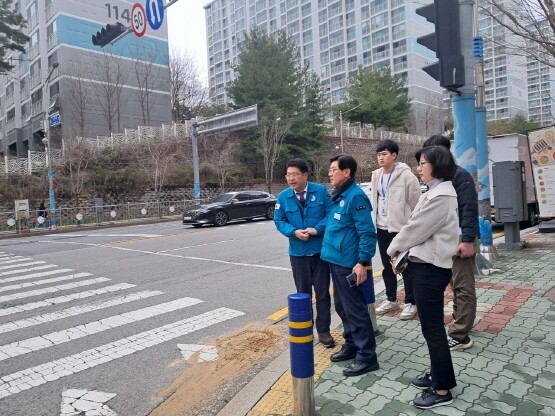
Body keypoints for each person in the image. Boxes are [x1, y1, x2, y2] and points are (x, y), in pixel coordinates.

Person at [387, 145, 459, 409]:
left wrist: (392, 248)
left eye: (423, 163)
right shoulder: (436, 191)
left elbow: (416, 229)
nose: (419, 167)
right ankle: (435, 375)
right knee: (431, 329)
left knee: (433, 329)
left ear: (437, 165)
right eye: (418, 163)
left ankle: (442, 390)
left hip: (431, 269)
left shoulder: (442, 196)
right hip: (424, 265)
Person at [321, 154, 379, 377]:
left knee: (355, 310)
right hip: (335, 261)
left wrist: (362, 262)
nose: (330, 173)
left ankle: (367, 356)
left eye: (334, 169)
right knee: (342, 307)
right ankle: (352, 344)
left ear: (347, 172)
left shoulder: (355, 197)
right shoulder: (340, 196)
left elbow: (367, 233)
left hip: (349, 264)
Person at [423, 135, 478, 351]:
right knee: (455, 284)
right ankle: (461, 321)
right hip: (447, 239)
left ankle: (460, 335)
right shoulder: (442, 177)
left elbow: (469, 209)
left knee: (463, 286)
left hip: (460, 239)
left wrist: (467, 240)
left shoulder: (460, 176)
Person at [274, 158, 335, 348]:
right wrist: (293, 232)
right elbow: (279, 220)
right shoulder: (283, 197)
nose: (291, 178)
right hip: (298, 253)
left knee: (323, 293)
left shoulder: (320, 191)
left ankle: (324, 331)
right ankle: (306, 329)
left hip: (319, 253)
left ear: (305, 175)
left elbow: (331, 214)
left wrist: (316, 230)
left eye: (295, 174)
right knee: (303, 293)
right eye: (288, 175)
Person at [371, 139, 421, 320]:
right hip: (381, 226)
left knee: (405, 265)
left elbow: (416, 204)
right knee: (386, 266)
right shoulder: (376, 175)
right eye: (378, 154)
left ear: (394, 155)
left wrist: (412, 229)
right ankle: (391, 299)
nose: (381, 158)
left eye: (384, 154)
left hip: (401, 229)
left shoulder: (407, 176)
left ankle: (411, 302)